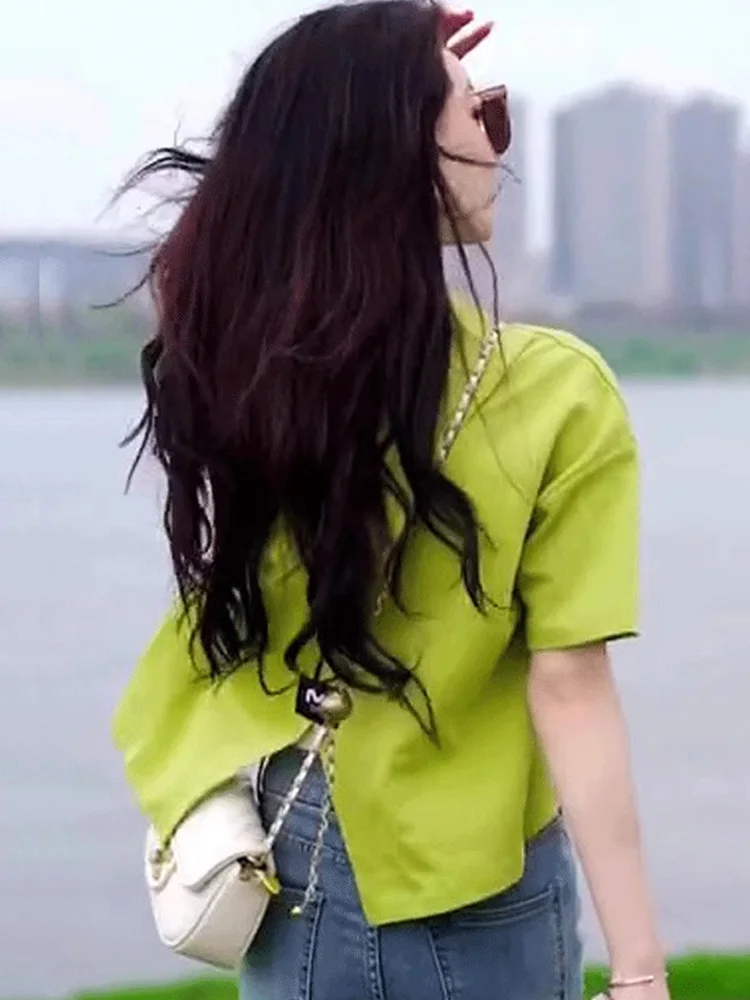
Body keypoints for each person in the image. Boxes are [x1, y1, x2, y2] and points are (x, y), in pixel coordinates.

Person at [113, 3, 671, 999]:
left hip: (291, 864)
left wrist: (364, 64)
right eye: (477, 112)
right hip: (482, 882)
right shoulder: (556, 390)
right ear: (400, 149)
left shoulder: (252, 367)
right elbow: (570, 686)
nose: (496, 142)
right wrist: (638, 971)